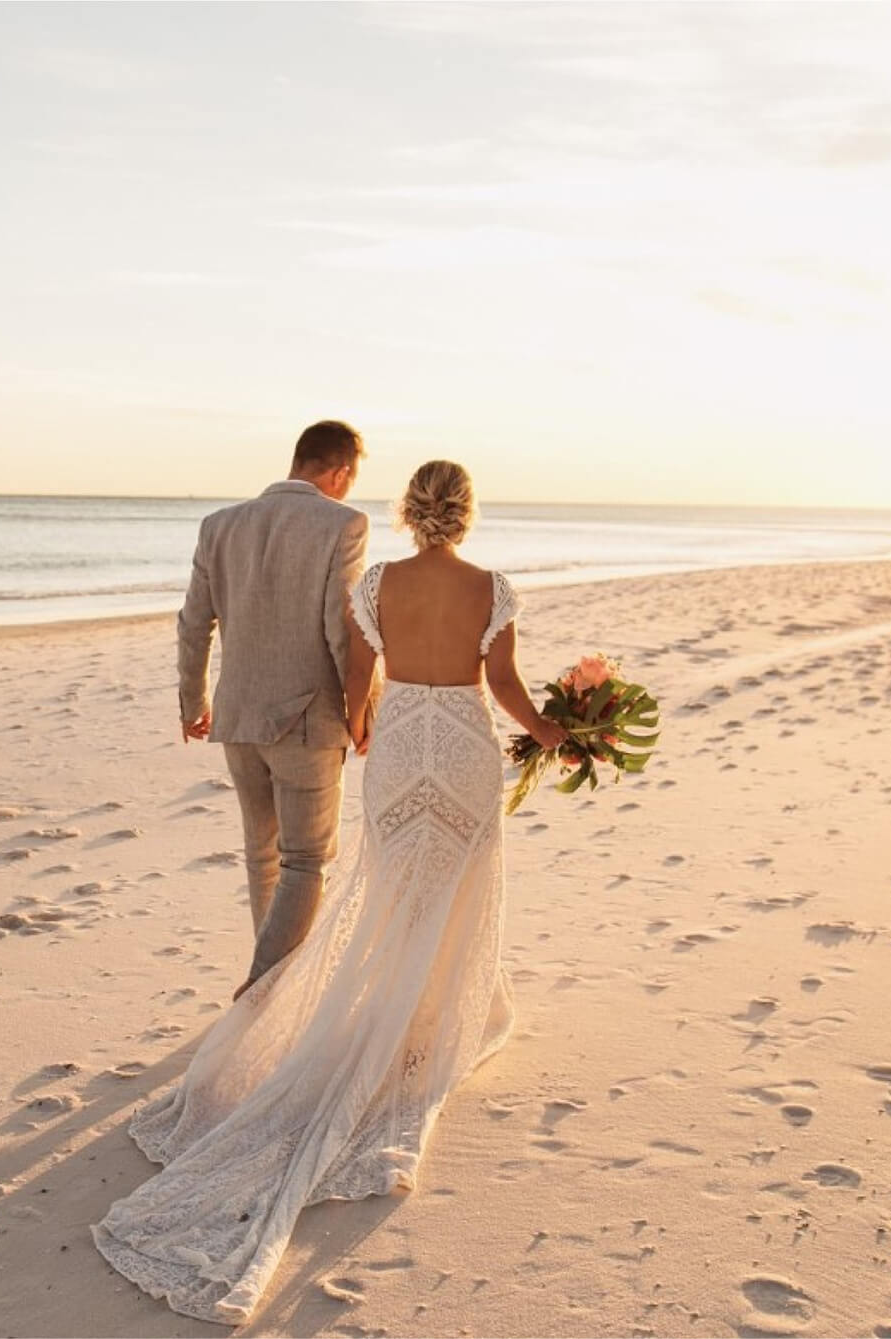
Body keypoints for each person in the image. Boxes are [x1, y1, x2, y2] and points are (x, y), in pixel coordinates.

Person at [97, 460, 569, 1325]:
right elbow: (502, 686)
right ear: (464, 514)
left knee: (391, 884)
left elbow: (360, 679)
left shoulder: (379, 583)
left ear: (408, 511)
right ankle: (426, 1025)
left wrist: (361, 728)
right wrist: (550, 731)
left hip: (396, 747)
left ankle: (398, 1009)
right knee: (458, 882)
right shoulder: (492, 587)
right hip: (461, 742)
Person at [175, 420, 370, 997]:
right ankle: (263, 989)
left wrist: (194, 701)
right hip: (308, 720)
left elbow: (193, 624)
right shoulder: (343, 524)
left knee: (262, 856)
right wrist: (362, 712)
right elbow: (343, 630)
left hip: (236, 715)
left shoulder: (219, 525)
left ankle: (276, 981)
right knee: (306, 860)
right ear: (340, 473)